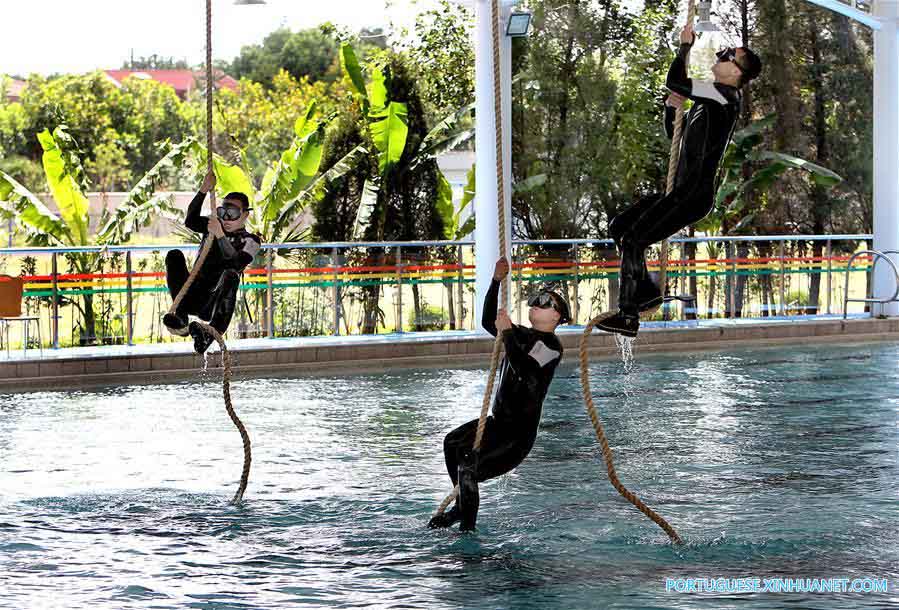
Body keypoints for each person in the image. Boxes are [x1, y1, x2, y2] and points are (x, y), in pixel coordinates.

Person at [598, 23, 762, 337]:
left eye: (728, 55)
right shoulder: (708, 99)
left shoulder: (726, 96)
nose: (720, 53)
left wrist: (684, 47)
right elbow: (678, 136)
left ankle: (629, 316)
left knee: (634, 239)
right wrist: (670, 111)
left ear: (737, 73)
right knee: (620, 228)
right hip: (679, 191)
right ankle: (645, 292)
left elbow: (675, 80)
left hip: (693, 195)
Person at [428, 257, 570, 531]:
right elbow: (486, 321)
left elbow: (525, 370)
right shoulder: (519, 334)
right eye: (538, 298)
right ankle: (462, 506)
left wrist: (507, 333)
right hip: (496, 424)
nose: (538, 302)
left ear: (556, 316)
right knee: (452, 443)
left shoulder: (552, 347)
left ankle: (467, 530)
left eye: (546, 301)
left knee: (468, 463)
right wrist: (495, 280)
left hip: (516, 438)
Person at [162, 171, 261, 354]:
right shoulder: (212, 226)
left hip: (213, 302)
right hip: (191, 294)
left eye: (233, 213)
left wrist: (220, 235)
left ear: (245, 215)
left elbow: (236, 263)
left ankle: (211, 333)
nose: (226, 219)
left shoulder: (251, 241)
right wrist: (203, 190)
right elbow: (190, 221)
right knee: (174, 255)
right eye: (223, 212)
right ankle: (181, 316)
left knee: (231, 275)